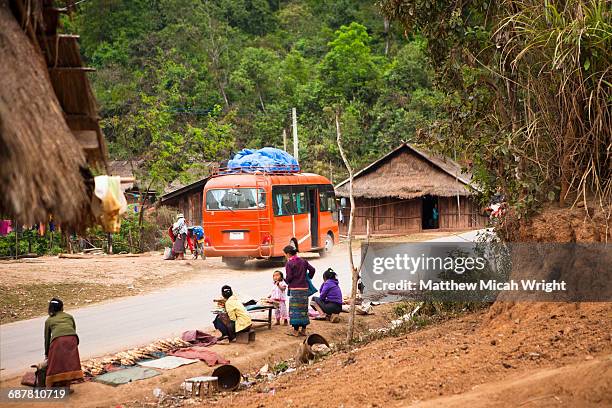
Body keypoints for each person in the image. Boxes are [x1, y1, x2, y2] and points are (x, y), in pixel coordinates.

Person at [44, 298, 83, 390]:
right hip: (72, 339)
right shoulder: (69, 316)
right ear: (62, 307)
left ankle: (48, 389)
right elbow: (73, 329)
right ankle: (67, 388)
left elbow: (47, 338)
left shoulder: (49, 320)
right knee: (69, 364)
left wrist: (47, 354)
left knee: (53, 364)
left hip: (58, 340)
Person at [284, 245, 315, 337]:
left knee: (295, 310)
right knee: (303, 309)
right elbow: (312, 270)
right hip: (304, 289)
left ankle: (296, 331)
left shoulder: (289, 263)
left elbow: (289, 277)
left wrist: (285, 281)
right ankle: (304, 330)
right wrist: (308, 278)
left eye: (285, 254)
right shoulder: (303, 261)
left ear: (288, 254)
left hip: (295, 289)